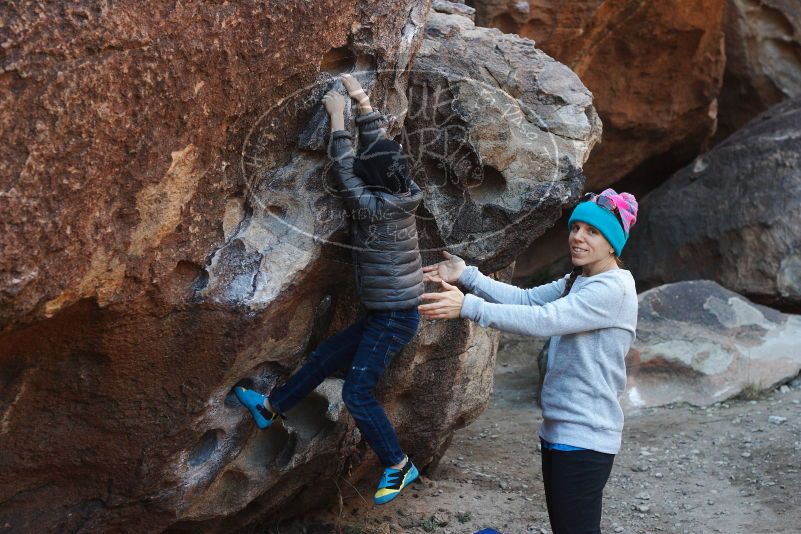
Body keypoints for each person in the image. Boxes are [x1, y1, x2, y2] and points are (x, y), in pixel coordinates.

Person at [234, 73, 425, 505]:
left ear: (374, 182)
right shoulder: (404, 189)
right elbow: (377, 148)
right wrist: (360, 98)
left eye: (367, 171)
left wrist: (337, 117)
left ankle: (398, 464)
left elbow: (344, 168)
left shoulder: (375, 209)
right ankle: (271, 407)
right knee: (324, 356)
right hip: (386, 312)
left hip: (395, 317)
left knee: (357, 392)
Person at [418, 189, 639, 534]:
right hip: (561, 430)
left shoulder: (613, 289)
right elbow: (526, 300)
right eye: (576, 227)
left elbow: (544, 320)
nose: (578, 237)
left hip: (587, 435)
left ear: (613, 244)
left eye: (592, 232)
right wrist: (468, 276)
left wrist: (468, 307)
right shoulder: (578, 280)